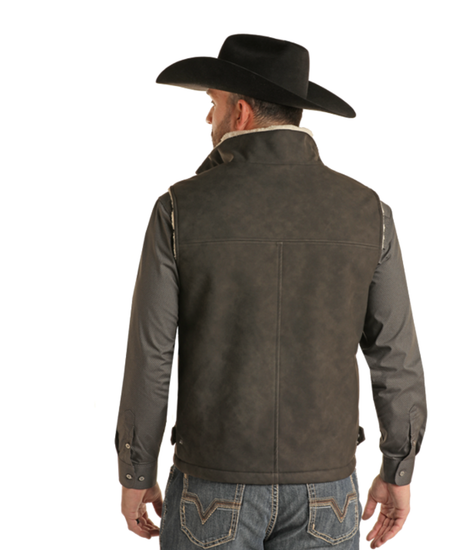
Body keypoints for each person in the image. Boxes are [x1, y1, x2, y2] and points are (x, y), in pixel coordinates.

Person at [115, 34, 427, 550]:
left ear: (239, 112)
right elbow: (396, 356)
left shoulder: (178, 209)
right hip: (328, 491)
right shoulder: (369, 211)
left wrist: (136, 468)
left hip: (211, 485)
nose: (208, 118)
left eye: (212, 103)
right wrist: (399, 468)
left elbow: (152, 355)